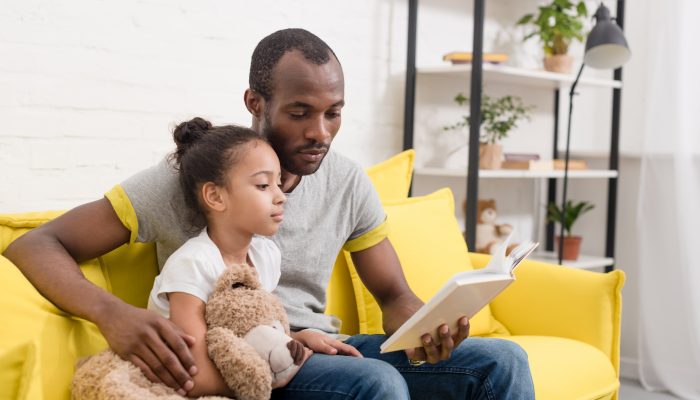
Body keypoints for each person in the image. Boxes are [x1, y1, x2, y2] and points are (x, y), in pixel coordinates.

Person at [4, 28, 534, 399]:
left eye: (334, 114)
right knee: (377, 385)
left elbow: (393, 295)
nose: (319, 133)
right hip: (249, 364)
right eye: (300, 112)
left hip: (323, 346)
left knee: (502, 362)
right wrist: (111, 314)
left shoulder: (347, 181)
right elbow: (34, 244)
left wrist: (428, 329)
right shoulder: (191, 179)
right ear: (256, 102)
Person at [146, 118, 311, 396]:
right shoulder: (192, 265)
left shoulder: (265, 256)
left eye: (279, 183)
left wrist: (295, 339)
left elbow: (252, 330)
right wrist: (271, 374)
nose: (280, 196)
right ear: (215, 196)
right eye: (263, 185)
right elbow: (194, 377)